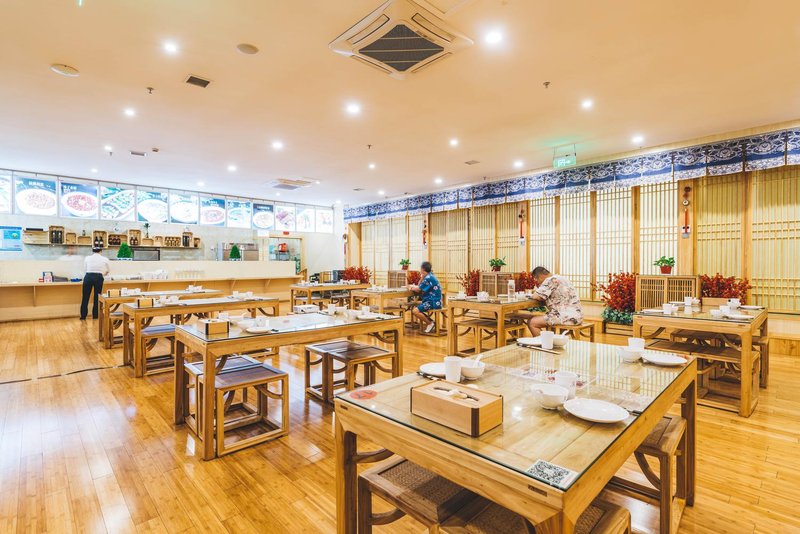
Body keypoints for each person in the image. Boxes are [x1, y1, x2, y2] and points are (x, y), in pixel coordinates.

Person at [526, 266, 583, 336]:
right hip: (578, 315)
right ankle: (550, 340)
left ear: (539, 276)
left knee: (532, 322)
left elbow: (537, 296)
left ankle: (545, 342)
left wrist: (534, 293)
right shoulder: (562, 278)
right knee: (548, 316)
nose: (536, 281)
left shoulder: (550, 280)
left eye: (536, 279)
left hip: (566, 316)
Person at [409, 261, 442, 334]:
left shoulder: (428, 278)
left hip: (432, 302)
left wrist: (410, 287)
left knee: (415, 311)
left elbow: (418, 289)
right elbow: (420, 285)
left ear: (423, 269)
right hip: (435, 301)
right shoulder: (430, 275)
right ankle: (431, 322)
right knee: (417, 307)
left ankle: (430, 323)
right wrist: (422, 277)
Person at [80, 246, 110, 320]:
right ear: (101, 251)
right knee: (97, 297)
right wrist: (103, 274)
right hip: (98, 277)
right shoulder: (104, 259)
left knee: (85, 297)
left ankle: (83, 316)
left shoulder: (87, 258)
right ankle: (95, 316)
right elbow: (108, 270)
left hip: (88, 276)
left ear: (93, 251)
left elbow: (84, 269)